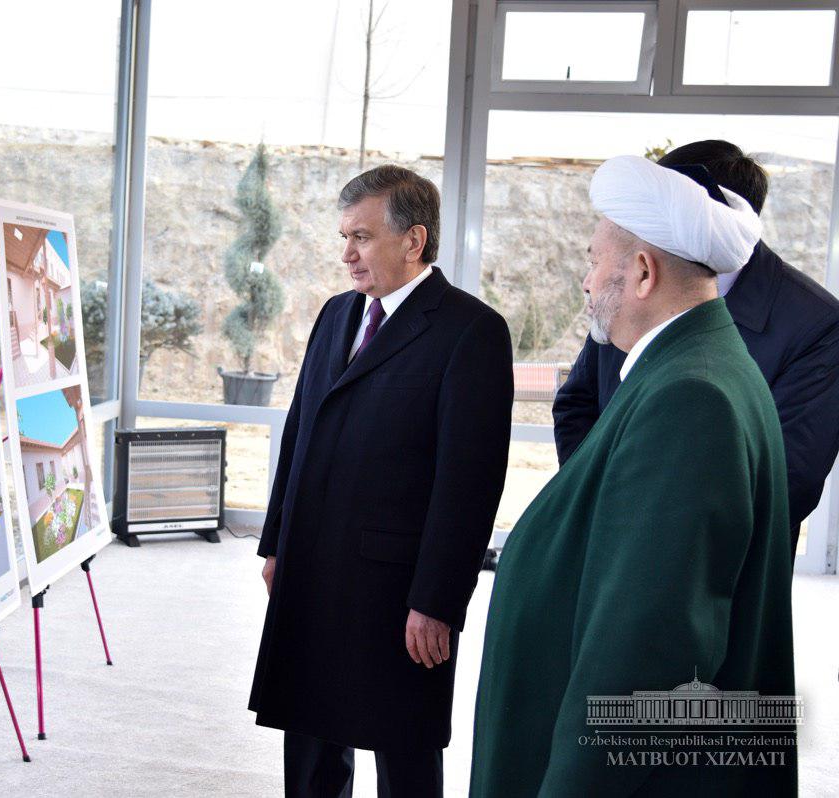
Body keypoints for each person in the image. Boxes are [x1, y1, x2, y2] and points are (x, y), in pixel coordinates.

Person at [471, 155, 796, 796]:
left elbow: (646, 652)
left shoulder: (691, 397)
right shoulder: (693, 365)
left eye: (594, 261)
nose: (586, 282)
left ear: (643, 272)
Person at [249, 164, 513, 798]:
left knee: (405, 754)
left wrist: (438, 601)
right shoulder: (336, 314)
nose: (347, 254)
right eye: (344, 237)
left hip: (398, 590)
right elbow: (300, 430)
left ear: (414, 240)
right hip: (313, 569)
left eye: (361, 237)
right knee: (310, 740)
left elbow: (469, 486)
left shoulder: (471, 331)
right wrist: (276, 544)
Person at [553, 140, 839, 557]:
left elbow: (788, 479)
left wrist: (651, 534)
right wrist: (598, 512)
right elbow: (578, 404)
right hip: (606, 544)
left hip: (718, 568)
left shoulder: (815, 324)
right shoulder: (633, 284)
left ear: (706, 212)